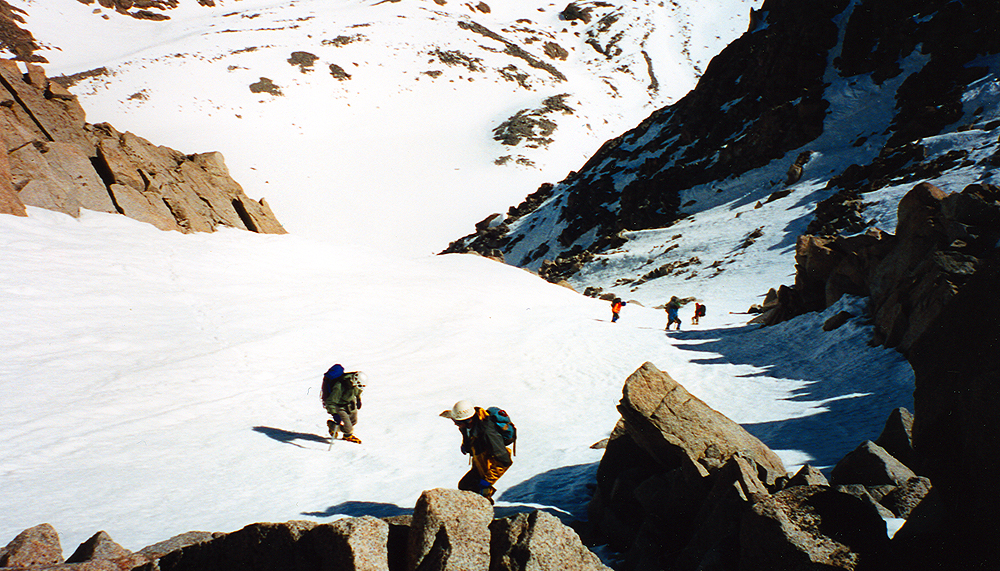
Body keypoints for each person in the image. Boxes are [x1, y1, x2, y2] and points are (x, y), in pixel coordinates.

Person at [440, 400, 513, 504]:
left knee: (478, 492)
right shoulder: (470, 425)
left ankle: (485, 513)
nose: (455, 424)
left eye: (458, 422)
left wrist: (487, 481)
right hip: (479, 463)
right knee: (466, 486)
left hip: (487, 468)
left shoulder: (487, 432)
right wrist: (466, 445)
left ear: (468, 420)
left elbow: (505, 461)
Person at [321, 364, 366, 444]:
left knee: (353, 420)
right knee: (349, 428)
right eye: (359, 385)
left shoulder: (355, 384)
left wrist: (358, 399)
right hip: (339, 406)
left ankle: (346, 435)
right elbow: (330, 402)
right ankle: (333, 426)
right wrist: (335, 414)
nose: (360, 387)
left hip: (349, 402)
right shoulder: (339, 386)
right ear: (355, 381)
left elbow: (358, 390)